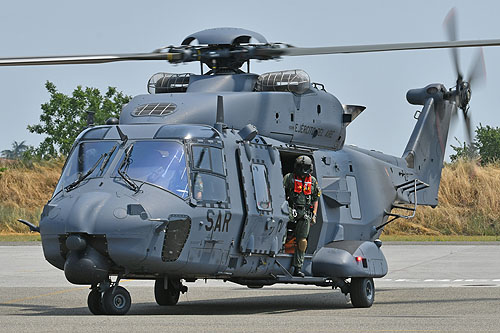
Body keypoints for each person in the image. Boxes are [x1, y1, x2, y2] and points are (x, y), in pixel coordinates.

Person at [283, 155, 321, 277]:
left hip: (305, 213)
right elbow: (281, 194)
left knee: (302, 241)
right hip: (290, 209)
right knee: (282, 234)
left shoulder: (313, 182)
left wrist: (314, 214)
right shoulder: (289, 178)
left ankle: (297, 267)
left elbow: (315, 199)